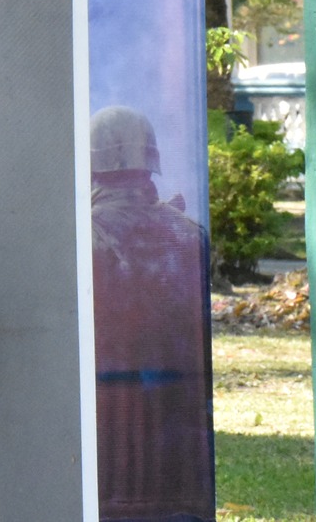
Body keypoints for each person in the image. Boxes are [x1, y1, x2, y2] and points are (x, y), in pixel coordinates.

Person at [88, 105, 213, 522]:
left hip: (108, 468)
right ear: (151, 164)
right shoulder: (189, 235)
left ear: (92, 167)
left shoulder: (82, 237)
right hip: (179, 471)